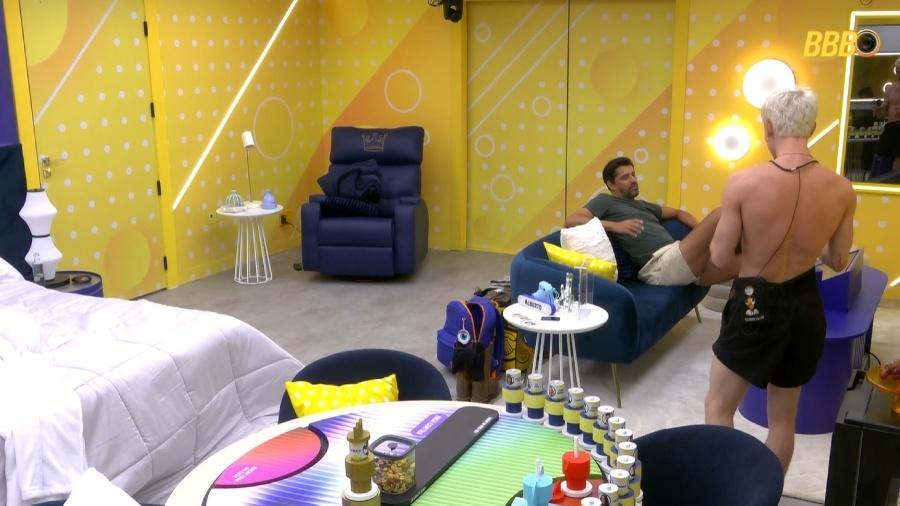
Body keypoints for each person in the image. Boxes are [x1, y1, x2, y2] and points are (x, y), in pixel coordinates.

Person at [704, 87, 857, 473]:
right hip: (805, 305)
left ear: (768, 127)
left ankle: (723, 492)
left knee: (718, 406)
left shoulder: (743, 183)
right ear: (813, 127)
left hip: (753, 301)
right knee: (783, 420)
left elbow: (719, 257)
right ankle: (765, 495)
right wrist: (808, 249)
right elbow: (839, 260)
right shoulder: (842, 189)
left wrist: (756, 252)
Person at [564, 157, 739, 286]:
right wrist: (616, 226)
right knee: (721, 214)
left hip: (678, 259)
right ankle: (718, 250)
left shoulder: (642, 205)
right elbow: (572, 220)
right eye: (625, 177)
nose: (633, 180)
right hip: (660, 266)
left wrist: (701, 232)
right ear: (611, 184)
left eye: (633, 174)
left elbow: (679, 213)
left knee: (746, 261)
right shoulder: (605, 201)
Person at [872, 57, 900, 176]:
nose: (898, 74)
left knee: (898, 160)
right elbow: (884, 110)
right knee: (882, 156)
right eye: (897, 71)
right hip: (891, 127)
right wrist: (878, 109)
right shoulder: (890, 88)